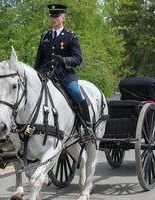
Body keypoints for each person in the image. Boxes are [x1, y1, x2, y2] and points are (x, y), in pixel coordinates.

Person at [34, 4, 93, 141]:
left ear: (63, 17)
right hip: (47, 75)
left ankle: (87, 127)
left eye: (57, 16)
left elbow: (78, 59)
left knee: (76, 93)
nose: (54, 19)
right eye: (52, 16)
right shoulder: (45, 37)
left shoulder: (71, 37)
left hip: (65, 75)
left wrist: (65, 60)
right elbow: (39, 61)